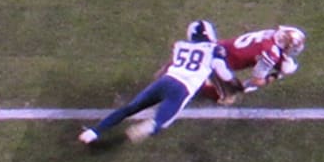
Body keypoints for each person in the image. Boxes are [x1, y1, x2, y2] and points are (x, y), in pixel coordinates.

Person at [79, 20, 243, 144]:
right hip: (182, 88)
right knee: (162, 122)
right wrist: (236, 85)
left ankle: (93, 132)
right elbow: (224, 74)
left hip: (166, 80)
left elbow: (172, 63)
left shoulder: (180, 45)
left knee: (130, 108)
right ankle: (150, 126)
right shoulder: (214, 50)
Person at [197, 25, 306, 104]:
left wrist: (280, 62)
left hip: (218, 48)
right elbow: (256, 81)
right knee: (229, 97)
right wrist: (277, 75)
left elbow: (264, 50)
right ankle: (199, 85)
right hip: (214, 61)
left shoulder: (270, 33)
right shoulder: (270, 53)